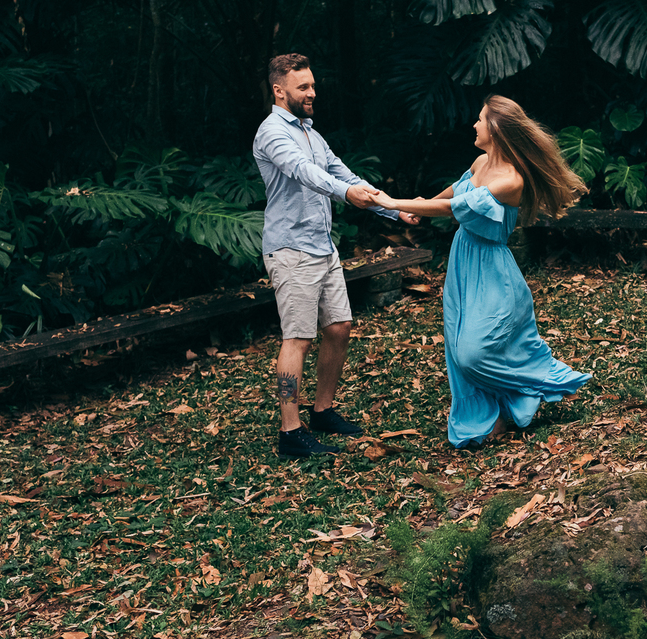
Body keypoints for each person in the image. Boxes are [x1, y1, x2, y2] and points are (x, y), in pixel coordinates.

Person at [371, 95, 591, 448]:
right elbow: (452, 193)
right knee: (458, 345)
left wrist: (392, 201)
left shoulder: (511, 180)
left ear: (496, 128)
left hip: (493, 269)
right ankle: (492, 413)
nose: (473, 125)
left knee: (472, 352)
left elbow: (455, 206)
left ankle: (533, 387)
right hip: (462, 263)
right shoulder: (480, 162)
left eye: (479, 119)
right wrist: (417, 210)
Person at [253, 53, 420, 459]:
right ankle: (290, 431)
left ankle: (323, 410)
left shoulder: (311, 132)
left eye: (313, 85)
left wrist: (392, 208)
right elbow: (304, 173)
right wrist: (346, 194)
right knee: (298, 339)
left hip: (322, 247)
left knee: (340, 327)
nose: (313, 93)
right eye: (303, 87)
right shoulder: (272, 132)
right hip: (291, 250)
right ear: (280, 91)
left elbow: (343, 173)